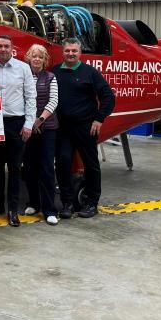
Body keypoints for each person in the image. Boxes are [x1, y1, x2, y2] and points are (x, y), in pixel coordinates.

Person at [52, 38, 115, 218]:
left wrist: (99, 119)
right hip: (62, 128)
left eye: (74, 51)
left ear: (80, 53)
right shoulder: (55, 72)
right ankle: (67, 203)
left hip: (86, 127)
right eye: (67, 51)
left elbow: (108, 97)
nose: (70, 54)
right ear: (62, 52)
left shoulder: (90, 72)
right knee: (63, 163)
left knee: (91, 165)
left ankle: (91, 203)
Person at [0, 35, 36, 227]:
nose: (3, 49)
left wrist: (29, 124)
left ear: (12, 48)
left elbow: (31, 97)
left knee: (14, 168)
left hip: (16, 123)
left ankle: (13, 209)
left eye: (6, 46)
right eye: (0, 46)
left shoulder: (24, 68)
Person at [23, 44, 60, 225]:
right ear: (28, 58)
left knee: (46, 168)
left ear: (44, 60)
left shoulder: (50, 77)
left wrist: (39, 120)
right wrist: (30, 123)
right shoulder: (23, 76)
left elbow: (53, 101)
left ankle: (49, 209)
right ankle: (33, 203)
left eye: (40, 56)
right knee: (29, 167)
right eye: (34, 56)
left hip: (47, 128)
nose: (37, 59)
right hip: (28, 128)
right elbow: (21, 99)